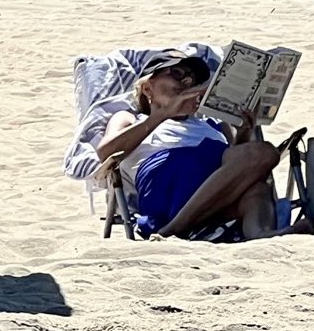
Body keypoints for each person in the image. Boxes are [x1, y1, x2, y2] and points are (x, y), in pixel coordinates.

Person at [97, 50, 291, 240]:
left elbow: (233, 170)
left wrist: (243, 134)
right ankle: (173, 228)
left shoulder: (214, 124)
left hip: (215, 202)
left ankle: (260, 233)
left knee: (257, 183)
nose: (187, 81)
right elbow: (105, 153)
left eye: (193, 79)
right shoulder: (131, 119)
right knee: (261, 152)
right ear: (148, 88)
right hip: (169, 191)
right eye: (177, 73)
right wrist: (162, 114)